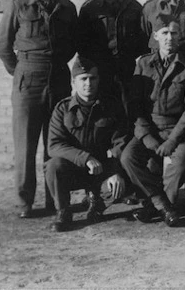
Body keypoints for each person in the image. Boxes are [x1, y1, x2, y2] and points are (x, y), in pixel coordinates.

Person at [0, 0, 78, 218]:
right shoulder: (19, 6)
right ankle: (24, 202)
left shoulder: (67, 8)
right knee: (26, 145)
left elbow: (72, 43)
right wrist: (19, 71)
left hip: (58, 79)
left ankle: (55, 199)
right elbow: (2, 45)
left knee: (55, 142)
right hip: (28, 79)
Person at [120, 13, 185, 227]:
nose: (170, 38)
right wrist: (146, 136)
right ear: (155, 36)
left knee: (182, 160)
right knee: (128, 157)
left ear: (180, 36)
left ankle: (156, 205)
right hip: (150, 127)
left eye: (174, 33)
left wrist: (172, 140)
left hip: (178, 129)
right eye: (165, 33)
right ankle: (164, 206)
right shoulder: (143, 64)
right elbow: (135, 105)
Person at [45, 56, 130, 232]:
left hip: (100, 171)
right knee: (53, 165)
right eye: (83, 79)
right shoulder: (62, 109)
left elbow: (120, 143)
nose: (88, 83)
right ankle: (63, 212)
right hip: (74, 169)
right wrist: (85, 158)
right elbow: (54, 145)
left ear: (99, 80)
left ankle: (97, 203)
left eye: (93, 78)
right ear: (73, 82)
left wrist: (116, 171)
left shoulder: (110, 106)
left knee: (122, 180)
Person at [76, 0, 148, 112]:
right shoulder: (90, 8)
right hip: (100, 71)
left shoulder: (135, 8)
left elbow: (142, 41)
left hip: (127, 71)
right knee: (102, 114)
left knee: (128, 111)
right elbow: (81, 44)